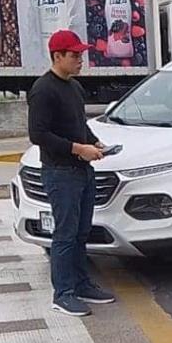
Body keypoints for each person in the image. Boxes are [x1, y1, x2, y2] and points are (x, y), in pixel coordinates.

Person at [28, 30, 115, 317]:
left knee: (81, 232)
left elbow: (79, 123)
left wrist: (94, 142)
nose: (81, 60)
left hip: (82, 172)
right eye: (74, 55)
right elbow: (38, 134)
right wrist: (79, 148)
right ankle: (62, 293)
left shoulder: (74, 88)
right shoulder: (43, 89)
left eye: (81, 54)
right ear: (57, 56)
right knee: (64, 235)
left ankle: (81, 284)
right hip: (60, 173)